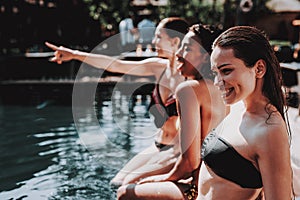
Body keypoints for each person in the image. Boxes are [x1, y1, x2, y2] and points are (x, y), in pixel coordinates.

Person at [45, 17, 190, 187]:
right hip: (158, 144)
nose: (153, 41)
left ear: (175, 41)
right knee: (116, 183)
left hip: (176, 150)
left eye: (158, 37)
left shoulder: (189, 79)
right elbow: (115, 65)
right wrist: (74, 55)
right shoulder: (158, 67)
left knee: (128, 186)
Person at [117, 24, 227, 200]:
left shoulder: (189, 90)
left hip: (201, 190)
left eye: (187, 48)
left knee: (125, 193)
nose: (178, 54)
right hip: (227, 186)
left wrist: (161, 179)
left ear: (206, 57)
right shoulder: (225, 89)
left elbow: (190, 162)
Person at [199, 26, 292, 199]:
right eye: (215, 73)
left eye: (226, 71)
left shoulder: (269, 129)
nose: (218, 82)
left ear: (259, 69)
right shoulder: (238, 107)